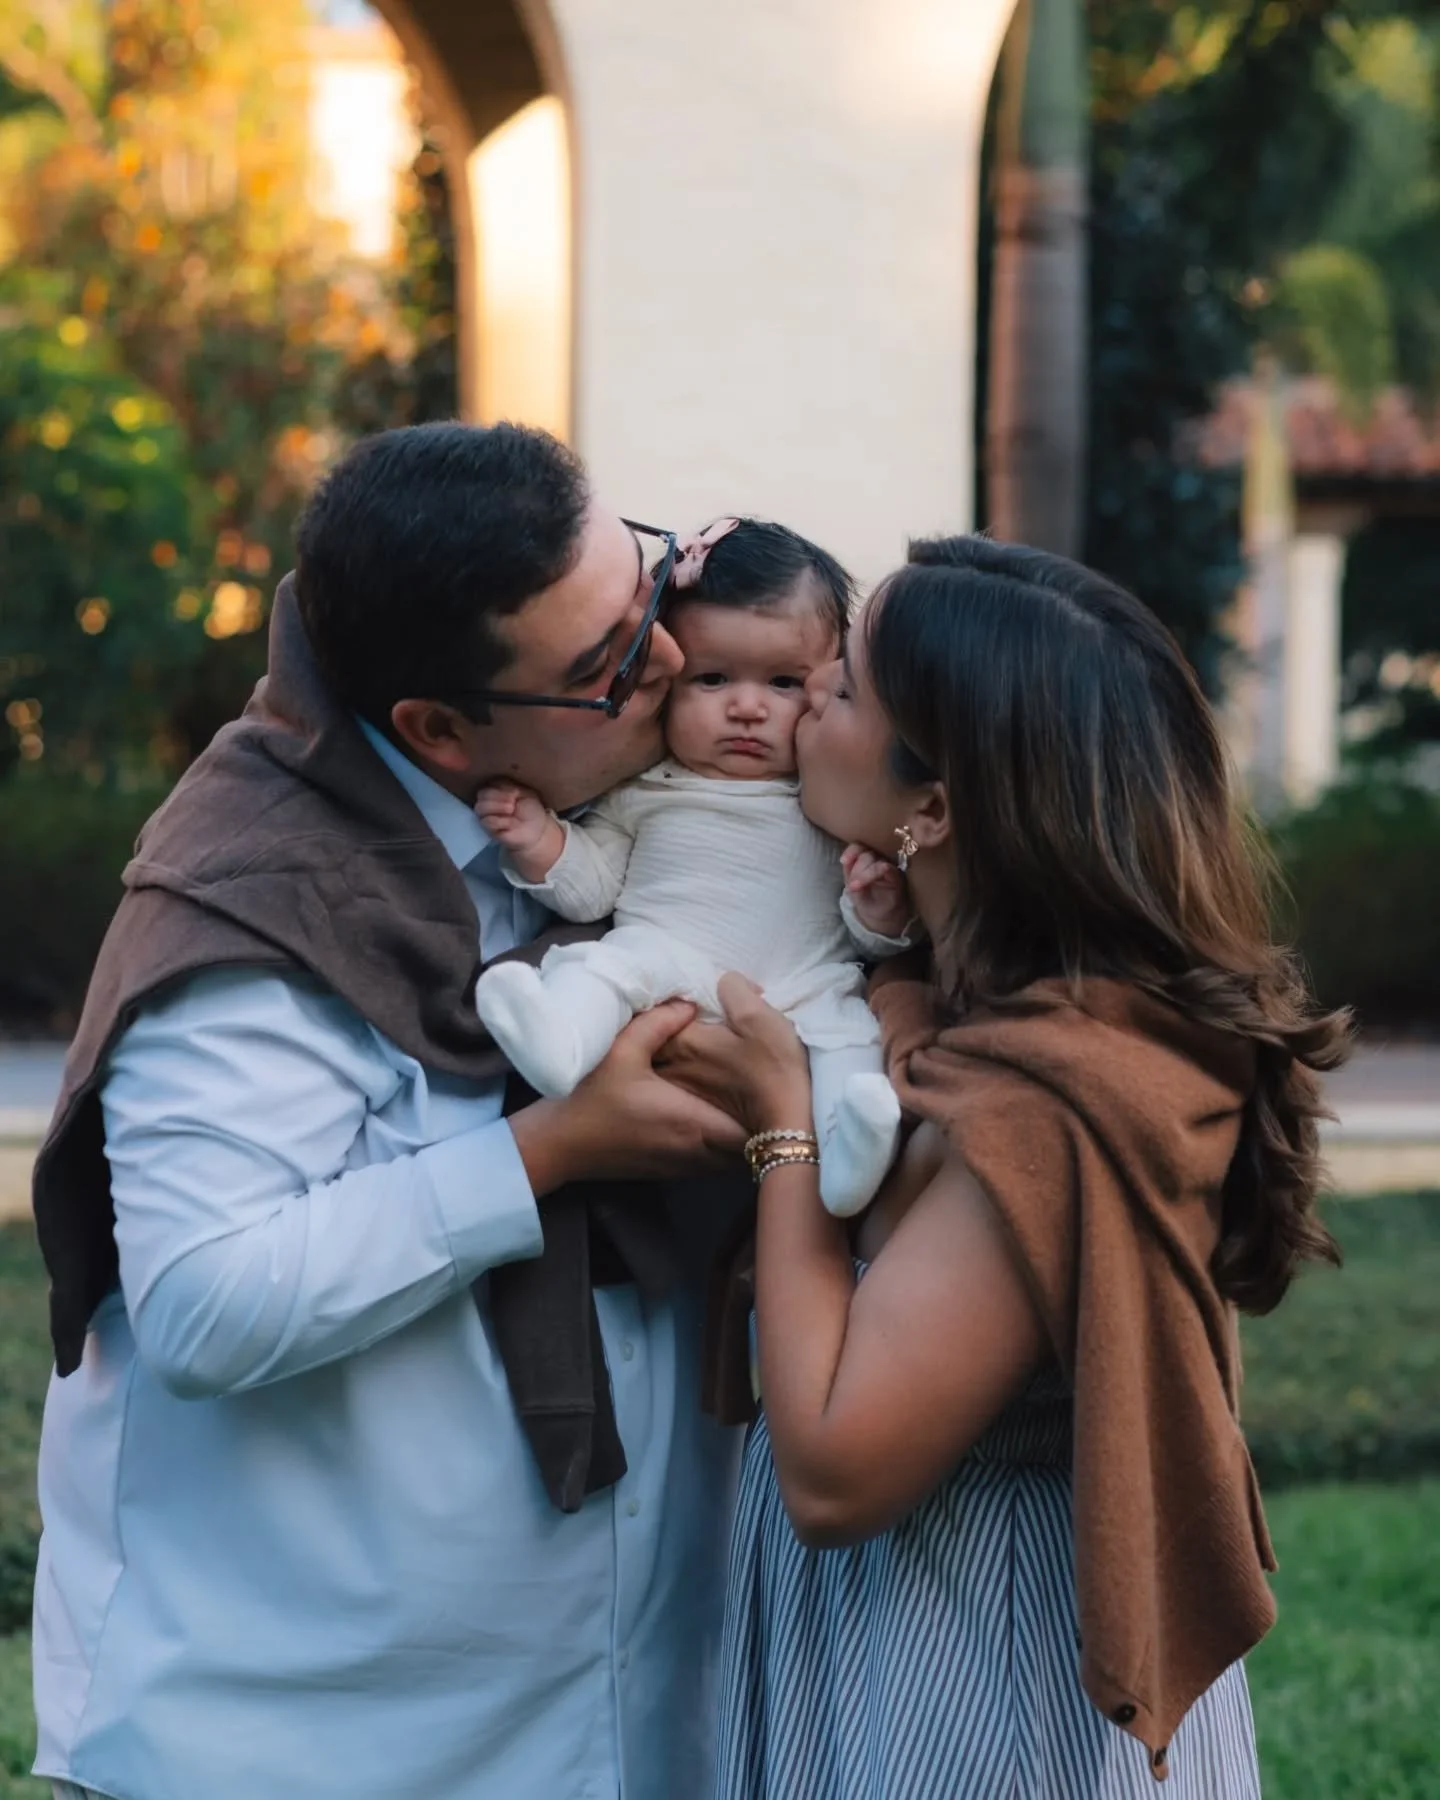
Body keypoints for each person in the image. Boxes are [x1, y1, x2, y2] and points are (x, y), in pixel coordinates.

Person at [29, 422, 751, 1800]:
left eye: (647, 588)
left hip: (609, 1731)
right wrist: (549, 1152)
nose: (664, 660)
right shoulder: (257, 907)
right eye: (603, 664)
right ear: (434, 727)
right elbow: (204, 1302)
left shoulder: (646, 814)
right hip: (299, 1747)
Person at [677, 537, 1349, 1797]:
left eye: (849, 688)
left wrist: (784, 1126)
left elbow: (833, 1469)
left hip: (971, 1664)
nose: (809, 688)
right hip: (920, 1628)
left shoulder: (1047, 1105)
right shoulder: (993, 1009)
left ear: (933, 807)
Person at [473, 516, 911, 1219]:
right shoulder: (647, 791)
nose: (746, 707)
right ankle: (560, 1042)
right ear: (666, 676)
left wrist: (880, 911)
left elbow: (864, 935)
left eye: (783, 682)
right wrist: (541, 841)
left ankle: (852, 1153)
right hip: (665, 971)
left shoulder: (830, 802)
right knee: (601, 968)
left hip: (801, 985)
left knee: (849, 1031)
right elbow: (594, 891)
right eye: (712, 679)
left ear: (831, 684)